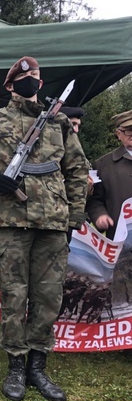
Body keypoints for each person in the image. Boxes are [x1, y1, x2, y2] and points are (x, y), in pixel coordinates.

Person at [0, 56, 89, 401]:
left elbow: (76, 170)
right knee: (13, 294)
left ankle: (37, 366)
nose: (31, 84)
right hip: (10, 222)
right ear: (11, 85)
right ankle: (16, 364)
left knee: (48, 297)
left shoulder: (58, 122)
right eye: (23, 79)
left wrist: (73, 219)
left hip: (53, 224)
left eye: (36, 79)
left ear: (40, 85)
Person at [86, 110, 132, 305]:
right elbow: (95, 200)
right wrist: (100, 216)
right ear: (118, 134)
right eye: (128, 131)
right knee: (123, 293)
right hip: (121, 243)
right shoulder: (104, 165)